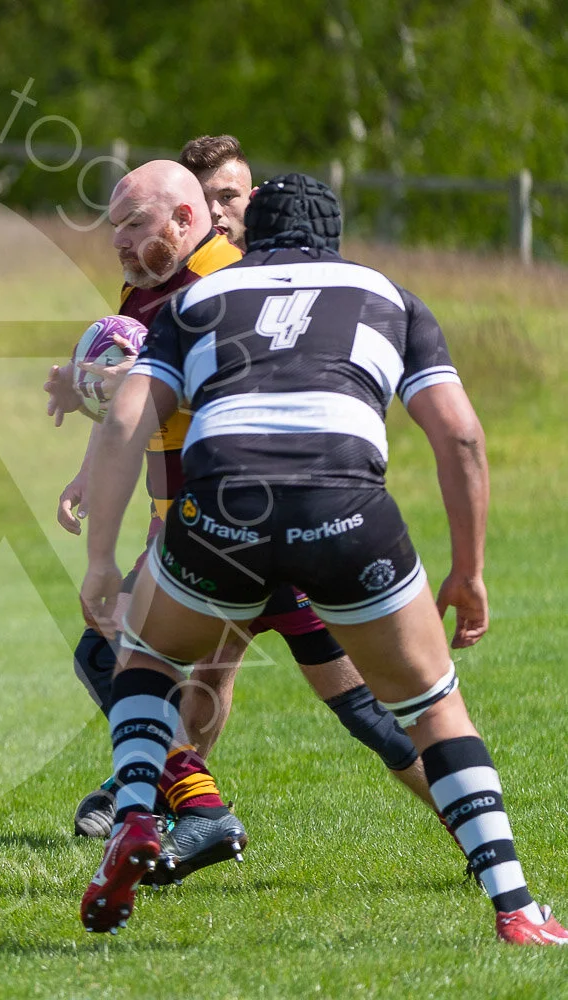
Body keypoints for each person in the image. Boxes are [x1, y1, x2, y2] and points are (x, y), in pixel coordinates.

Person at [77, 173, 566, 945]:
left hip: (222, 508)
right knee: (432, 707)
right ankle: (517, 908)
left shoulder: (197, 301)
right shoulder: (389, 295)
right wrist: (468, 571)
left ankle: (135, 817)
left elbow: (128, 419)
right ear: (334, 236)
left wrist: (101, 559)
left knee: (148, 660)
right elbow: (462, 436)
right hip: (344, 507)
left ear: (250, 232)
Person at [45, 161, 430, 885]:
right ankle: (477, 839)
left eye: (133, 226)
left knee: (121, 661)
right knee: (353, 705)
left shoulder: (214, 286)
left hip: (228, 530)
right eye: (115, 228)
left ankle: (190, 806)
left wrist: (109, 400)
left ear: (184, 221)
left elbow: (233, 394)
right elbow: (146, 406)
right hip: (260, 524)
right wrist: (94, 447)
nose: (120, 242)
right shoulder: (154, 285)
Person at [178, 134, 257, 251]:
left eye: (227, 197)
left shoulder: (283, 264)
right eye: (202, 199)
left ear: (253, 199)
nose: (214, 210)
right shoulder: (165, 267)